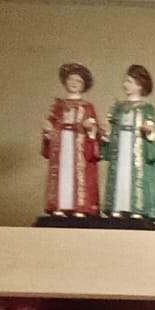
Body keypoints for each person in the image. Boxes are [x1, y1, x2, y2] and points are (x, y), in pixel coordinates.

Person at [40, 63, 100, 218]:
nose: (73, 83)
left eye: (78, 81)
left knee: (77, 174)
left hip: (78, 146)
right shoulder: (58, 106)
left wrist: (89, 128)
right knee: (62, 173)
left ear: (84, 86)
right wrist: (48, 132)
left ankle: (79, 206)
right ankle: (60, 205)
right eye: (71, 79)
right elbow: (52, 125)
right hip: (62, 145)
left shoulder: (87, 107)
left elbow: (94, 130)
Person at [100, 64, 155, 222]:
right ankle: (117, 207)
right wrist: (105, 132)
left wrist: (148, 130)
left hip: (135, 149)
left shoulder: (146, 108)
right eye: (126, 81)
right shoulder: (118, 107)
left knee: (135, 176)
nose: (125, 84)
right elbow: (110, 129)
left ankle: (136, 208)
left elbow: (151, 128)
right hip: (120, 147)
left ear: (139, 85)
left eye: (129, 81)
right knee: (120, 174)